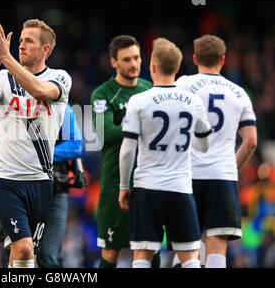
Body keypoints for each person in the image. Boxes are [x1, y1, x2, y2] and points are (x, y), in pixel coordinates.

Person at [0, 20, 71, 268]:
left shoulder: (59, 77)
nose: (21, 45)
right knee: (24, 249)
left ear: (46, 49)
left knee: (23, 253)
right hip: (6, 179)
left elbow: (39, 91)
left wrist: (5, 58)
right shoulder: (3, 78)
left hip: (40, 180)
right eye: (21, 40)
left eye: (29, 41)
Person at [118, 38, 212, 268]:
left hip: (147, 187)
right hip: (180, 187)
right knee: (190, 256)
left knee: (142, 255)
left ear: (152, 67)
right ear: (177, 68)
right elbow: (205, 145)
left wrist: (123, 187)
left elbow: (128, 149)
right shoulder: (194, 101)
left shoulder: (138, 100)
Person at [172, 35, 257, 268]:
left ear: (195, 58)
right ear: (223, 59)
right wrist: (231, 167)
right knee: (217, 246)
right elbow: (250, 141)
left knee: (188, 244)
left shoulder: (182, 86)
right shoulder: (240, 93)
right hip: (222, 175)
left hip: (187, 174)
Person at [0, 103, 84, 267]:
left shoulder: (61, 107)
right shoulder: (12, 105)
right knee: (16, 251)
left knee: (48, 257)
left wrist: (32, 155)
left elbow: (75, 145)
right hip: (16, 190)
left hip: (54, 190)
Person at [90, 35, 157, 268]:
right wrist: (141, 129)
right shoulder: (102, 93)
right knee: (111, 251)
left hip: (149, 179)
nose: (134, 64)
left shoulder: (150, 90)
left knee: (151, 247)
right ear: (113, 62)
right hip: (115, 180)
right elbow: (104, 133)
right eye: (127, 59)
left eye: (137, 57)